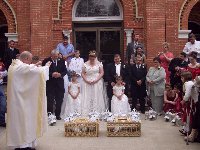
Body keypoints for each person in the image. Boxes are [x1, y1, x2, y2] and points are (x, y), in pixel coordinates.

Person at [6, 51, 51, 149]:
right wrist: (46, 67)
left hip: (18, 99)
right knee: (25, 121)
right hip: (21, 101)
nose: (30, 63)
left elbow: (29, 70)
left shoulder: (14, 65)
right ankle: (24, 145)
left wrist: (36, 65)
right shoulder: (20, 67)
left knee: (22, 121)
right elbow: (35, 71)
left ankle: (23, 143)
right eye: (30, 60)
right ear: (26, 59)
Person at [42, 50, 67, 122]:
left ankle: (57, 115)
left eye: (57, 56)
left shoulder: (61, 61)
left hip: (59, 83)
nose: (57, 57)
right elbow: (43, 71)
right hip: (50, 84)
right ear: (51, 55)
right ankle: (50, 115)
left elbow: (65, 71)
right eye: (55, 56)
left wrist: (60, 74)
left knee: (59, 100)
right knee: (50, 100)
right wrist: (51, 74)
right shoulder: (46, 61)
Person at [81, 51, 107, 115]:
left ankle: (96, 111)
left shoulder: (99, 64)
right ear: (89, 57)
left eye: (93, 56)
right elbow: (83, 73)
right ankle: (87, 111)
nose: (92, 58)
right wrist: (86, 80)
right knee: (88, 96)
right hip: (87, 82)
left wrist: (96, 80)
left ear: (95, 57)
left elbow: (102, 72)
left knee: (96, 96)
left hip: (97, 82)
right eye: (91, 56)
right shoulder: (85, 64)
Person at [179, 72, 199, 138]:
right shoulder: (191, 82)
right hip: (194, 101)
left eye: (182, 77)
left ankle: (187, 130)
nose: (181, 79)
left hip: (192, 102)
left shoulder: (187, 83)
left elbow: (187, 94)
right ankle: (187, 129)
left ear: (185, 78)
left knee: (188, 115)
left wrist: (183, 100)